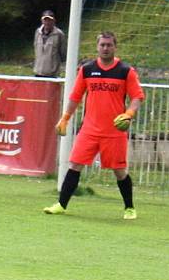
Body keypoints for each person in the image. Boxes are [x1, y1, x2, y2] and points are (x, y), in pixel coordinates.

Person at [44, 31, 144, 219]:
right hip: (89, 129)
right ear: (97, 47)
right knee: (74, 165)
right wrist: (65, 117)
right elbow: (75, 97)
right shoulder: (87, 69)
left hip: (114, 131)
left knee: (120, 171)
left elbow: (137, 97)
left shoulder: (125, 71)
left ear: (115, 47)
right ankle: (61, 204)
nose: (105, 48)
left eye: (109, 45)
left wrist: (129, 113)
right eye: (102, 45)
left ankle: (129, 208)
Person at [33, 10, 67, 77]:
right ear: (42, 21)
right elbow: (35, 48)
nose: (47, 22)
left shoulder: (59, 34)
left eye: (49, 20)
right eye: (45, 20)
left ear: (54, 21)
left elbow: (63, 53)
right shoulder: (37, 32)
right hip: (38, 72)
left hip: (52, 74)